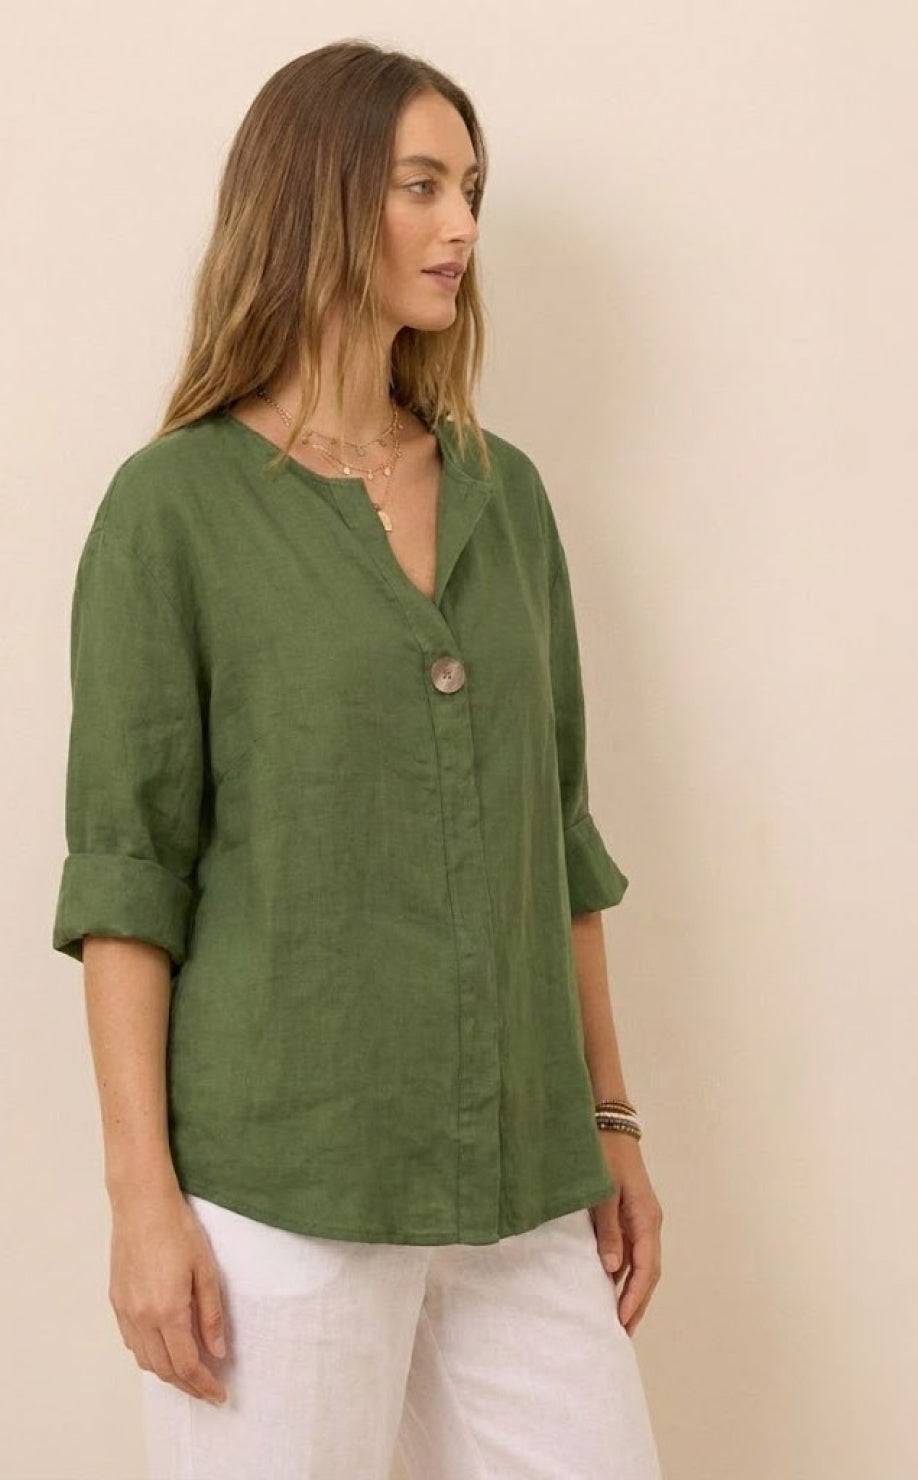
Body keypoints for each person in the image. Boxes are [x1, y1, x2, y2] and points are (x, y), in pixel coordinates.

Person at [51, 38, 664, 1480]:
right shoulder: (174, 509)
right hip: (284, 1197)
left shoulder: (505, 495)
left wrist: (612, 1124)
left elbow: (557, 837)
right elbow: (128, 878)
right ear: (316, 197)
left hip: (521, 1179)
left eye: (471, 190)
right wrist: (142, 1203)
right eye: (421, 186)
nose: (462, 227)